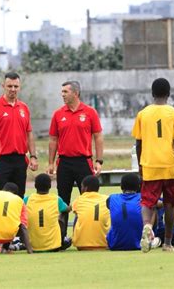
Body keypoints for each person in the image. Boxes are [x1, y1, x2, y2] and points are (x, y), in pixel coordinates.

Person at [131, 78, 174, 253]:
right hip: (169, 165)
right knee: (170, 204)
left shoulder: (143, 114)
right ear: (169, 93)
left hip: (149, 164)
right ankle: (168, 243)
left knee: (147, 202)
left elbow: (138, 142)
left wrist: (140, 164)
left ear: (152, 94)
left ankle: (147, 225)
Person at [48, 80, 104, 239]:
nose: (62, 95)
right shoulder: (58, 114)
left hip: (83, 162)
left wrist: (99, 161)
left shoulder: (90, 112)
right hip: (64, 163)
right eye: (62, 91)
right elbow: (53, 140)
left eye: (65, 92)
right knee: (63, 202)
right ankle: (61, 237)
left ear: (76, 93)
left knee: (87, 200)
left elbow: (98, 137)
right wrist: (51, 163)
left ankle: (88, 235)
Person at [0, 72, 38, 197]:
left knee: (19, 197)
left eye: (16, 86)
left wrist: (33, 156)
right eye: (10, 86)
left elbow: (29, 133)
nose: (13, 89)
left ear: (19, 87)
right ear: (3, 86)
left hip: (20, 159)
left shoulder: (24, 108)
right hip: (1, 160)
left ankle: (16, 217)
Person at [106, 173, 161, 251]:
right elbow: (160, 204)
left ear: (121, 186)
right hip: (139, 243)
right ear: (139, 186)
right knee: (152, 208)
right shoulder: (143, 198)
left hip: (114, 244)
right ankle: (150, 237)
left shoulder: (112, 198)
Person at [24, 173, 72, 252]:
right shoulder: (56, 199)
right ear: (50, 186)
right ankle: (62, 240)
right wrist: (72, 206)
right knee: (63, 213)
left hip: (32, 246)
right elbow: (67, 209)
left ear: (35, 186)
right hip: (53, 246)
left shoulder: (27, 199)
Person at [72, 175, 110, 250]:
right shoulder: (107, 199)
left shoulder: (79, 200)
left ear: (85, 188)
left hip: (81, 245)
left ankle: (76, 238)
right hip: (104, 243)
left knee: (77, 216)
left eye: (81, 186)